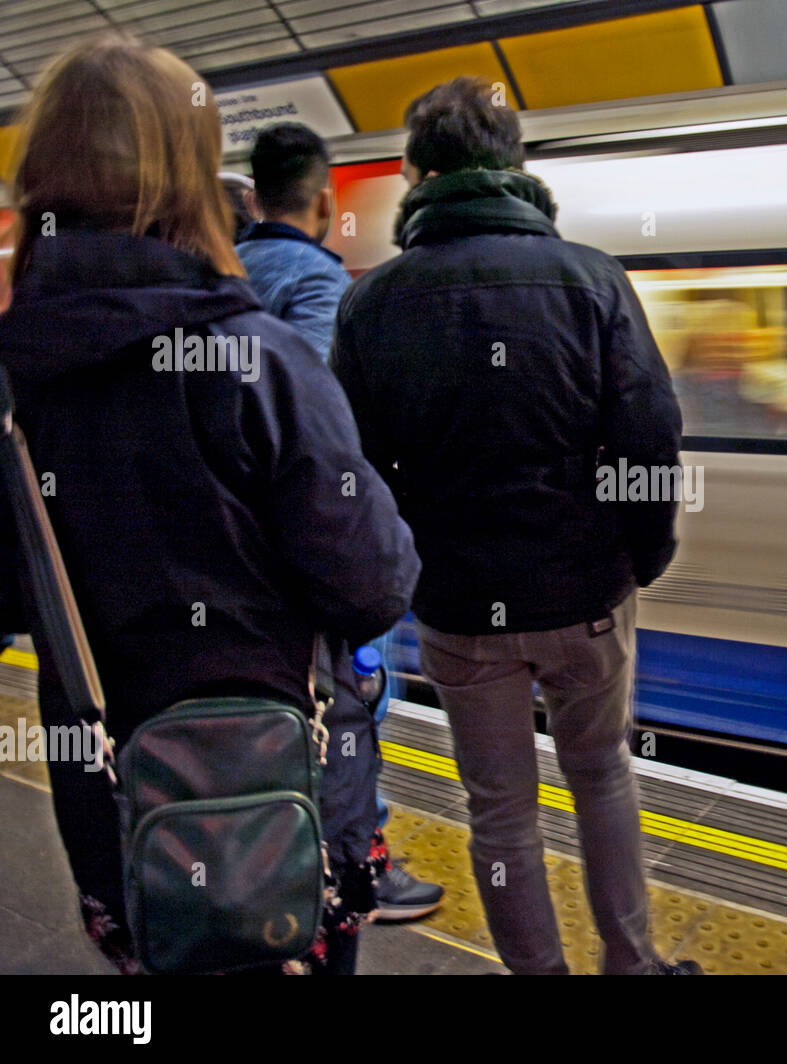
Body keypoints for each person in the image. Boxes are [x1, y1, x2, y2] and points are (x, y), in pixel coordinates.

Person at [0, 33, 421, 974]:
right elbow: (373, 584)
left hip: (121, 818)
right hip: (290, 808)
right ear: (192, 180)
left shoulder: (12, 385)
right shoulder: (261, 362)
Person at [332, 77, 698, 975]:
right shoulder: (591, 280)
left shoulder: (372, 304)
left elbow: (354, 472)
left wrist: (399, 580)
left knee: (500, 810)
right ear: (517, 168)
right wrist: (640, 559)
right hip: (588, 596)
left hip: (459, 607)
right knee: (603, 775)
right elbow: (650, 433)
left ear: (418, 175)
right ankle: (633, 962)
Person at [236, 122, 444, 924]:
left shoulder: (227, 272)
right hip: (308, 542)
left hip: (239, 553)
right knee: (352, 700)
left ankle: (269, 849)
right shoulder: (317, 280)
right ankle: (358, 864)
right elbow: (327, 430)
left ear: (252, 197)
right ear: (323, 200)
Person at [236, 123, 352, 362]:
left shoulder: (219, 265)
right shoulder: (321, 278)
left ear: (256, 201)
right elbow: (315, 384)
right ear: (324, 202)